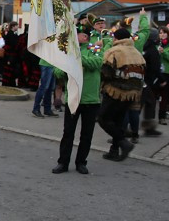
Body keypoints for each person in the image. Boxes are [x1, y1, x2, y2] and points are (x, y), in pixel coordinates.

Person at [54, 27, 104, 174]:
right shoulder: (67, 50)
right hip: (73, 98)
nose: (74, 37)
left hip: (90, 99)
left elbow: (97, 63)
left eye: (77, 35)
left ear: (85, 37)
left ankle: (81, 162)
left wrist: (78, 58)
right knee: (68, 133)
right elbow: (57, 71)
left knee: (86, 134)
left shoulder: (94, 48)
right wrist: (65, 66)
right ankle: (63, 162)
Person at [98, 27, 145, 161]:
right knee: (118, 121)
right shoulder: (136, 52)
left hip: (115, 91)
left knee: (103, 119)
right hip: (132, 93)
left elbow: (106, 72)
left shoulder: (114, 51)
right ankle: (114, 151)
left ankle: (123, 143)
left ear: (116, 38)